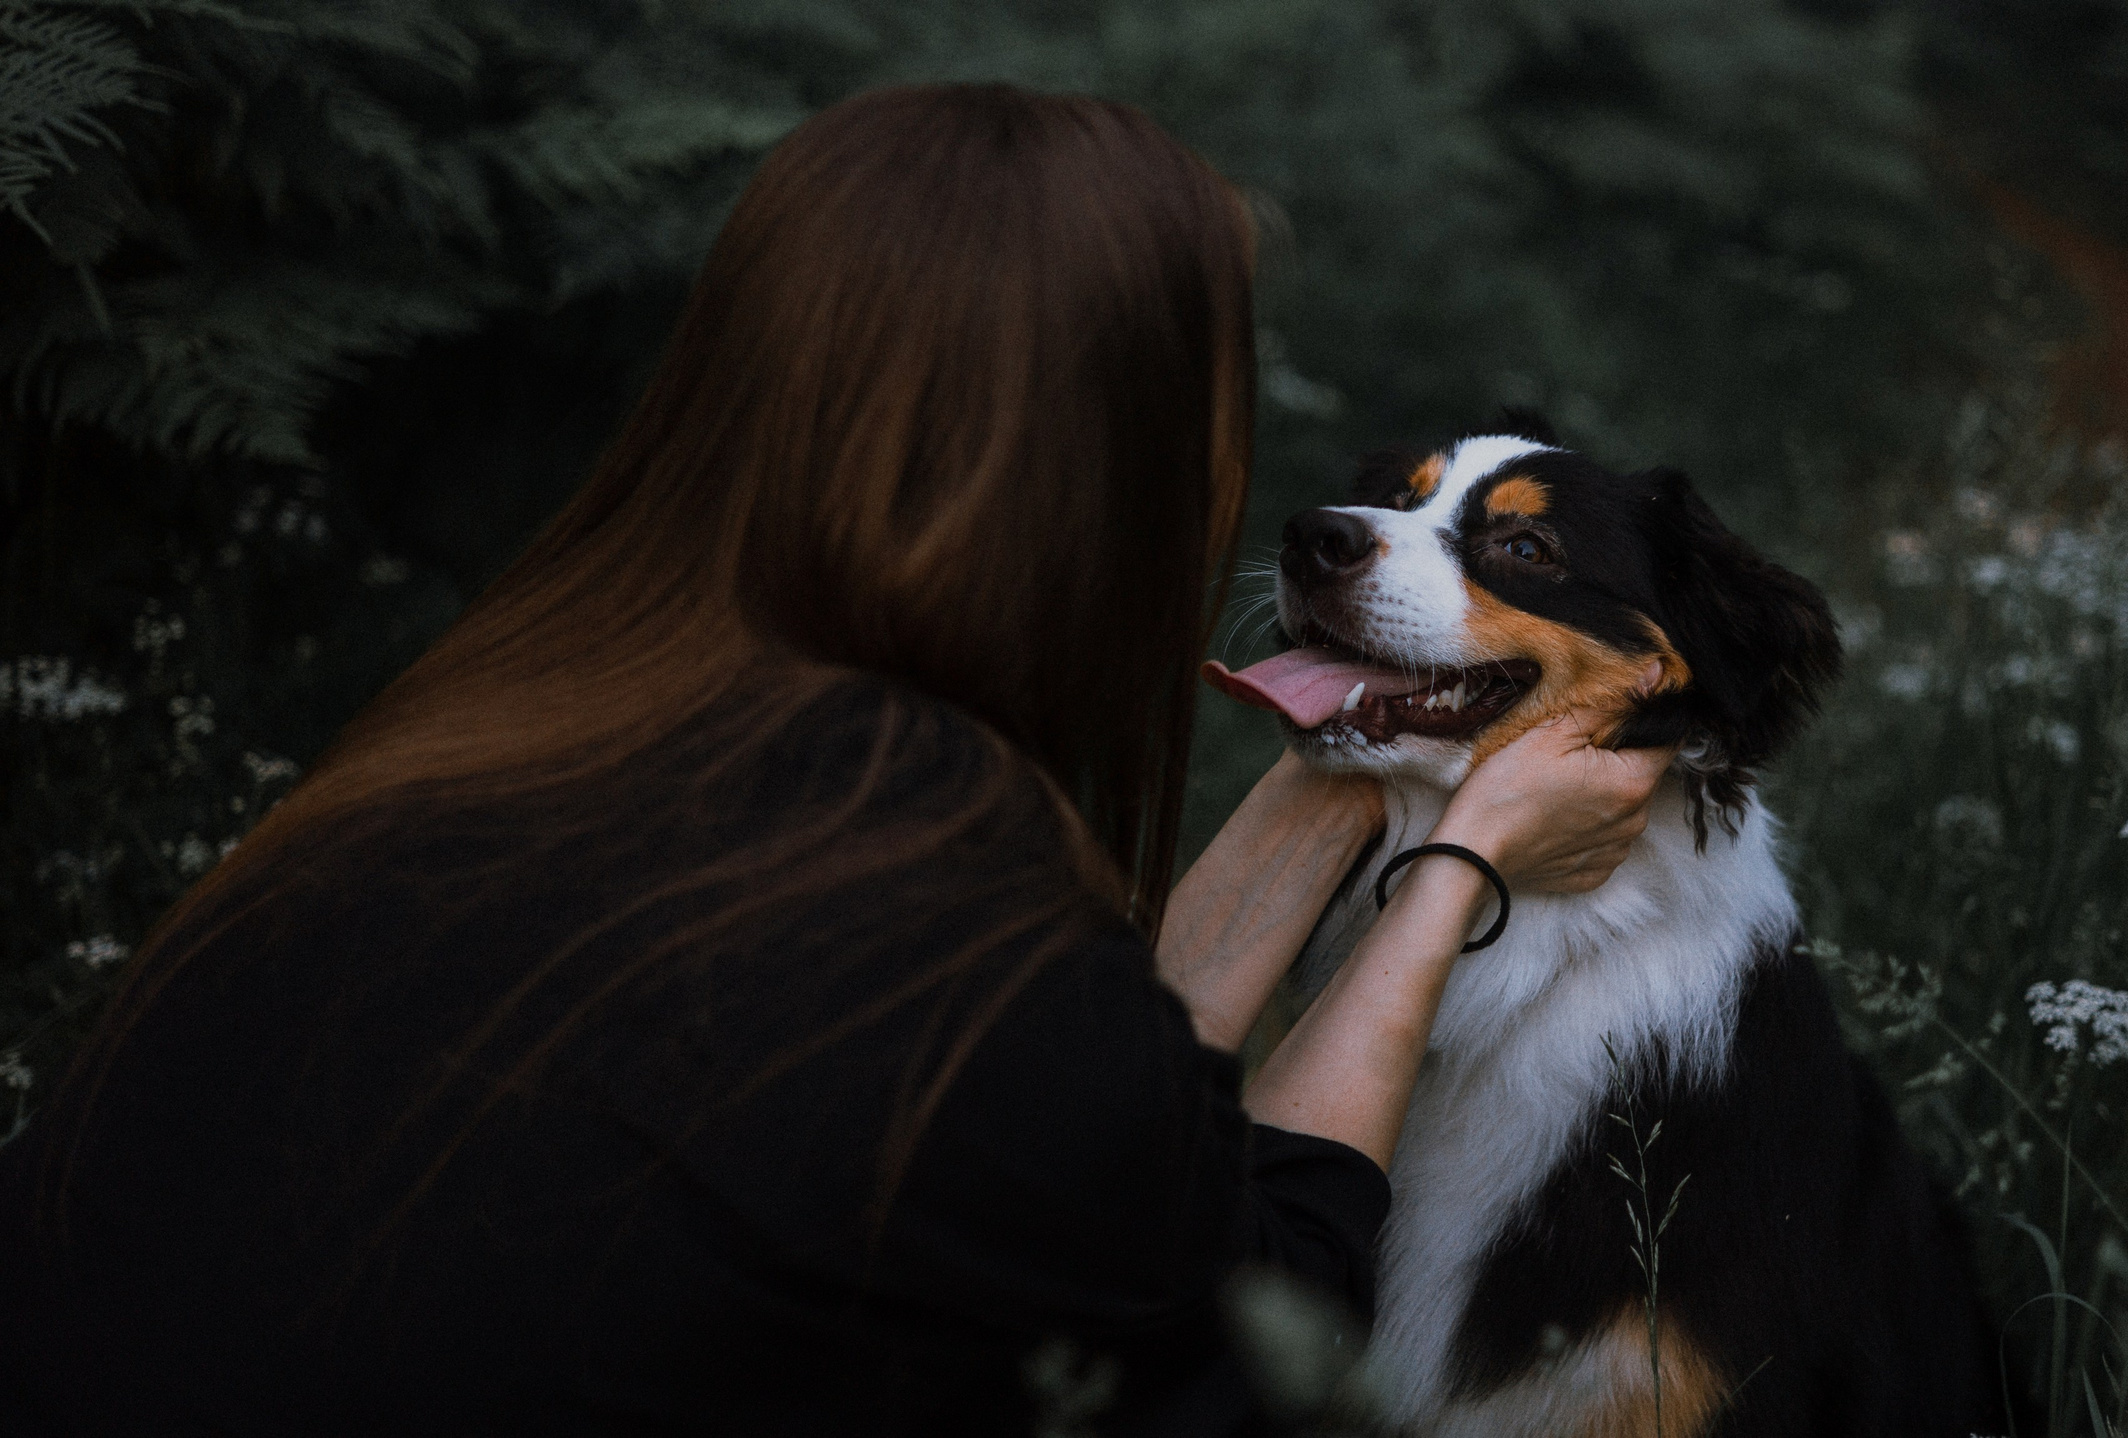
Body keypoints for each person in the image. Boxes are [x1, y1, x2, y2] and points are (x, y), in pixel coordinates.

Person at [0, 84, 1670, 1435]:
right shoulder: (942, 947)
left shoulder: (471, 755)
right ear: (1108, 481)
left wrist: (1354, 740)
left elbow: (1109, 1121)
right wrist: (1457, 868)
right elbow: (1259, 1306)